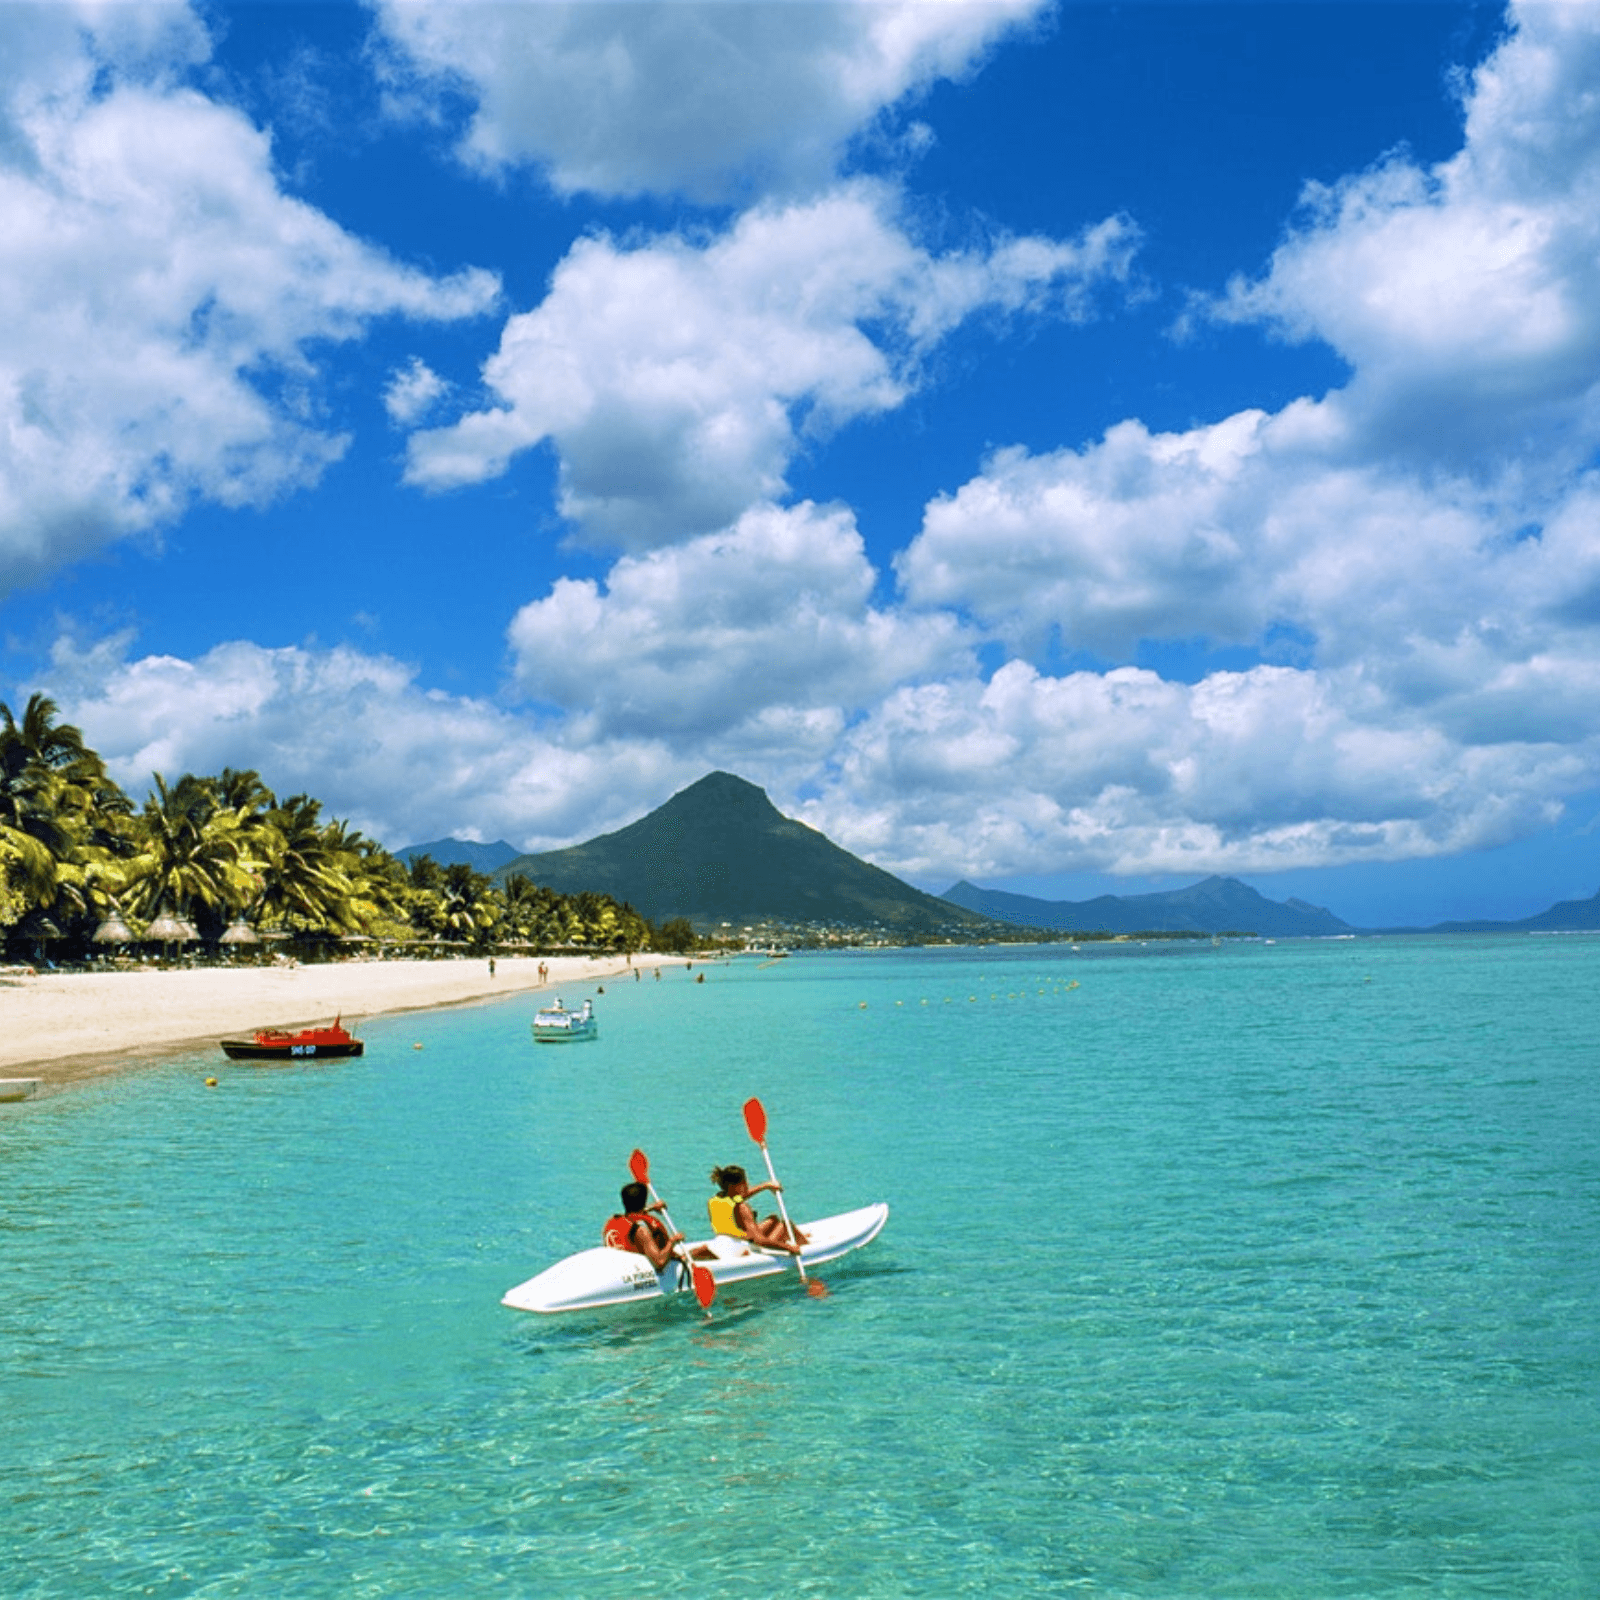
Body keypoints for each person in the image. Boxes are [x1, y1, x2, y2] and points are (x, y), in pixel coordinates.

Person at [707, 1165, 807, 1253]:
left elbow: (742, 1195)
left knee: (773, 1219)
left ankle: (796, 1238)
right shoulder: (742, 1208)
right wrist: (789, 1248)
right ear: (736, 1186)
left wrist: (767, 1185)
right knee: (786, 1225)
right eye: (745, 1182)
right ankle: (805, 1245)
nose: (748, 1184)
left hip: (731, 1241)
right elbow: (759, 1240)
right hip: (748, 1247)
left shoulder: (716, 1200)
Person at [602, 1181, 683, 1270]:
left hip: (615, 1268)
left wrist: (651, 1208)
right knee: (691, 1253)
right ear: (644, 1201)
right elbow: (660, 1263)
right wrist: (673, 1241)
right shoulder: (641, 1231)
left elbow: (631, 1215)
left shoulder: (611, 1221)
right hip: (634, 1271)